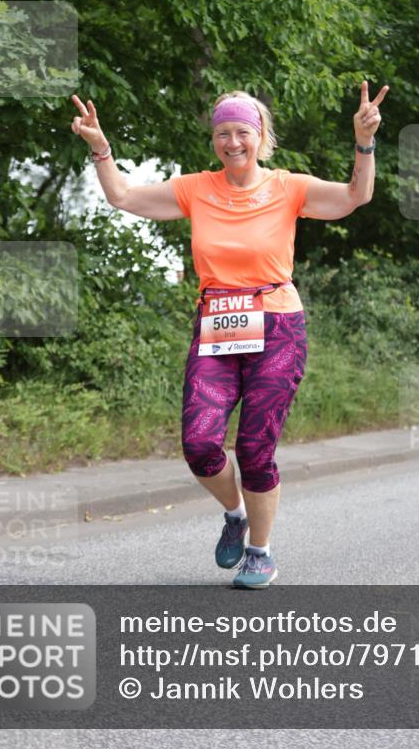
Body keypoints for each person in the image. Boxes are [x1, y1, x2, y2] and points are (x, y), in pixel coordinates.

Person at [70, 80, 388, 587]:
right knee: (199, 443)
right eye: (223, 133)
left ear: (261, 137)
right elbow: (124, 196)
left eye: (242, 131)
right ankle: (236, 514)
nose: (232, 142)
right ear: (214, 141)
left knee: (256, 449)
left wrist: (364, 142)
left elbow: (355, 196)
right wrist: (100, 147)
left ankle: (260, 552)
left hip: (278, 323)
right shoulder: (196, 188)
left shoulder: (289, 187)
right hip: (217, 326)